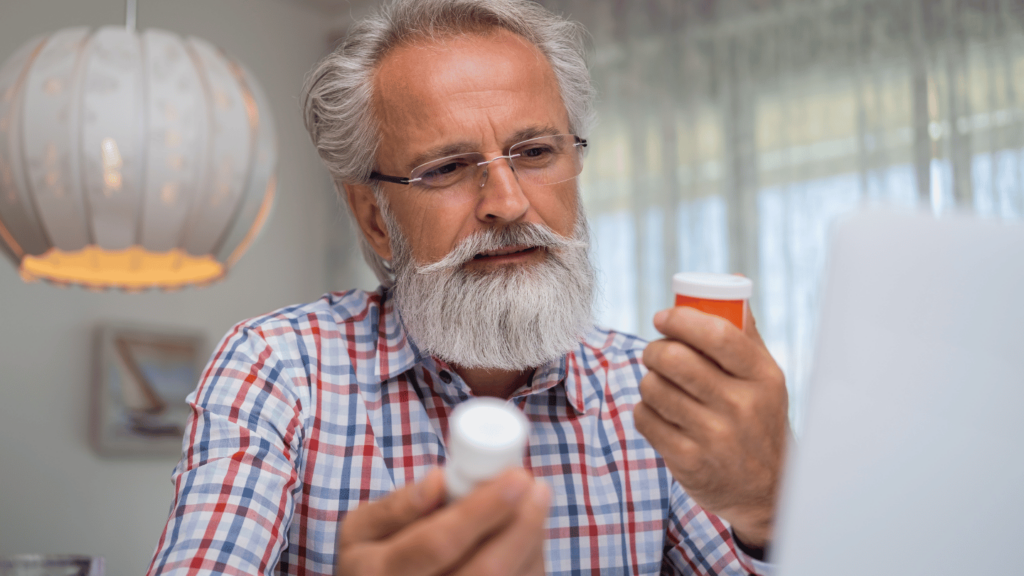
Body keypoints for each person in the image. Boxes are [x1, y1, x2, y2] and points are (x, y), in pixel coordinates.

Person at [146, 0, 789, 574]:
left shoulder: (646, 396)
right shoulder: (278, 371)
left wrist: (768, 510)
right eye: (447, 168)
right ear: (375, 218)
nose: (507, 204)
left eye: (535, 152)